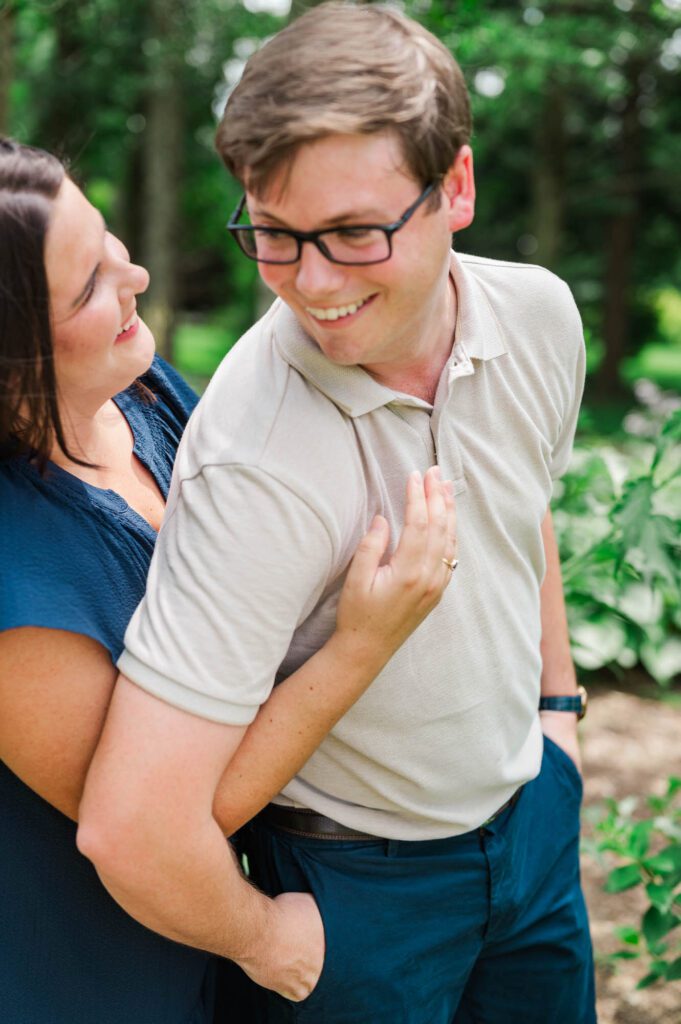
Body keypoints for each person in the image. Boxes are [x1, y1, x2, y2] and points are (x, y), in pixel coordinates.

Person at [77, 3, 596, 1022]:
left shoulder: (540, 314)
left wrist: (560, 719)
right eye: (274, 235)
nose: (310, 286)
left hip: (530, 824)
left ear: (457, 188)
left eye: (355, 233)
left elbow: (519, 508)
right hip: (361, 890)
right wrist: (271, 942)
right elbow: (130, 828)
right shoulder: (252, 457)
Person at [0, 136, 456, 1024]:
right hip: (94, 976)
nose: (132, 277)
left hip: (211, 922)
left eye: (109, 243)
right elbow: (168, 809)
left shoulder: (144, 395)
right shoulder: (17, 591)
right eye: (90, 284)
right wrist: (356, 648)